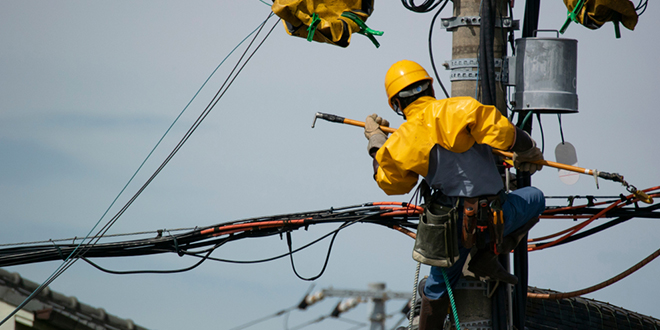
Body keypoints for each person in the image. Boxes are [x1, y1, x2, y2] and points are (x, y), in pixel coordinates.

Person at [364, 60, 546, 330]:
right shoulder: (460, 108)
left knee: (437, 286)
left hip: (450, 226)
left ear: (396, 104)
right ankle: (488, 253)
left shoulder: (401, 140)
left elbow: (391, 183)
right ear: (430, 87)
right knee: (535, 197)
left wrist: (377, 145)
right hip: (495, 216)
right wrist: (527, 147)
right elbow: (502, 131)